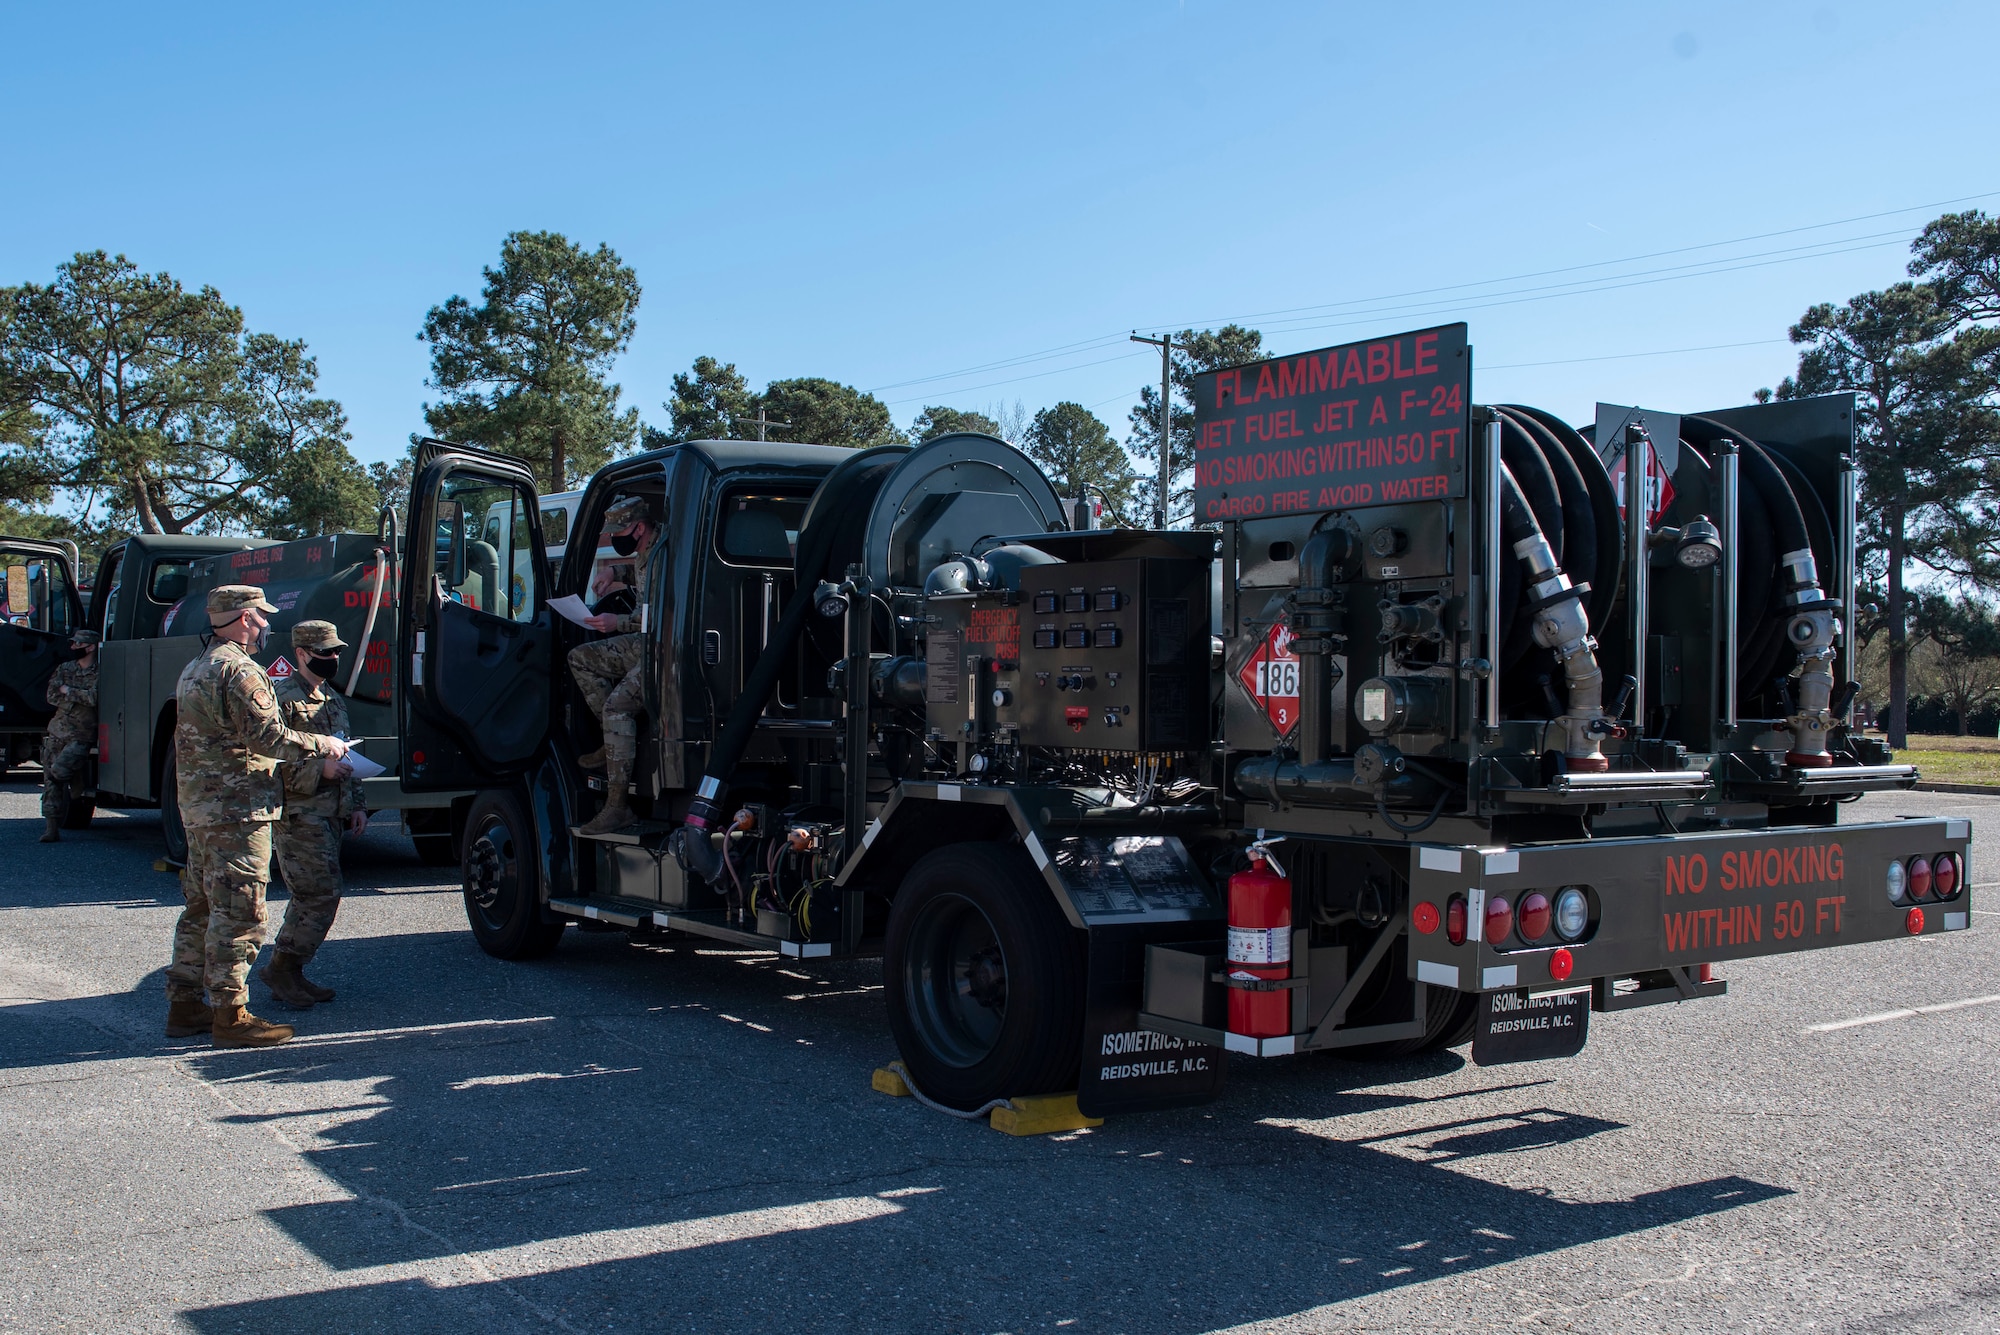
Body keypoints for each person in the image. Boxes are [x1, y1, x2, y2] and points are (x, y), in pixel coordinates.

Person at [165, 587, 349, 1048]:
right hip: (238, 809)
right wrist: (322, 745)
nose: (267, 625)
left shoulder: (196, 666)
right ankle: (231, 1017)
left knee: (202, 907)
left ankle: (185, 1006)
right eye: (262, 618)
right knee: (239, 912)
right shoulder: (239, 669)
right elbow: (270, 737)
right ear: (246, 618)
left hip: (202, 809)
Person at [262, 620, 367, 1010]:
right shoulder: (281, 698)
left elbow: (347, 754)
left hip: (330, 812)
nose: (333, 658)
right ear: (301, 654)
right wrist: (316, 770)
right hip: (299, 814)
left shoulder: (331, 699)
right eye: (324, 653)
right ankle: (282, 968)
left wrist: (357, 804)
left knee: (320, 894)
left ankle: (290, 970)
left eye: (336, 652)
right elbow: (266, 760)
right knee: (316, 894)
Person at [568, 496, 657, 834]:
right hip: (645, 643)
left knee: (616, 708)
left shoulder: (664, 553)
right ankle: (613, 745)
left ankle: (618, 807)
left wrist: (615, 622)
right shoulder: (649, 550)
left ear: (639, 528)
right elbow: (640, 576)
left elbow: (658, 619)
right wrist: (613, 571)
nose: (616, 538)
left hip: (663, 651)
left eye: (621, 531)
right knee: (580, 658)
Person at [38, 629, 99, 843]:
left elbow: (94, 698)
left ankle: (77, 782)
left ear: (90, 647)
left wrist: (69, 691)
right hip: (57, 731)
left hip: (81, 734)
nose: (73, 648)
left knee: (58, 772)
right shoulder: (65, 668)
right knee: (50, 780)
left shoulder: (99, 672)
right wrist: (73, 696)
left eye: (77, 644)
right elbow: (52, 695)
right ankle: (51, 827)